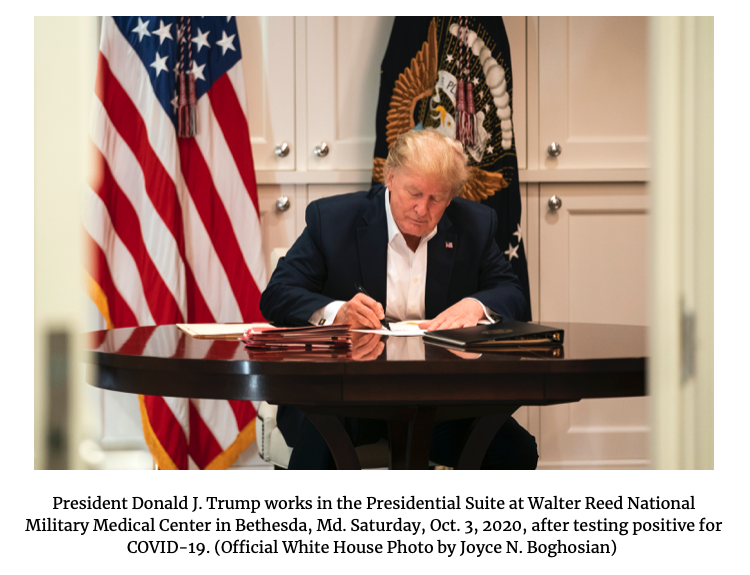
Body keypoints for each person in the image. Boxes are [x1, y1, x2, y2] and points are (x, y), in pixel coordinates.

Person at [259, 129, 538, 469]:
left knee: (515, 449)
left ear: (450, 197)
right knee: (323, 434)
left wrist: (477, 305)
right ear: (390, 178)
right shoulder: (332, 220)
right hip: (345, 395)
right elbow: (277, 294)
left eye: (437, 198)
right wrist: (337, 312)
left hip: (437, 402)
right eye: (414, 193)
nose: (423, 209)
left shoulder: (474, 226)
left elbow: (511, 293)